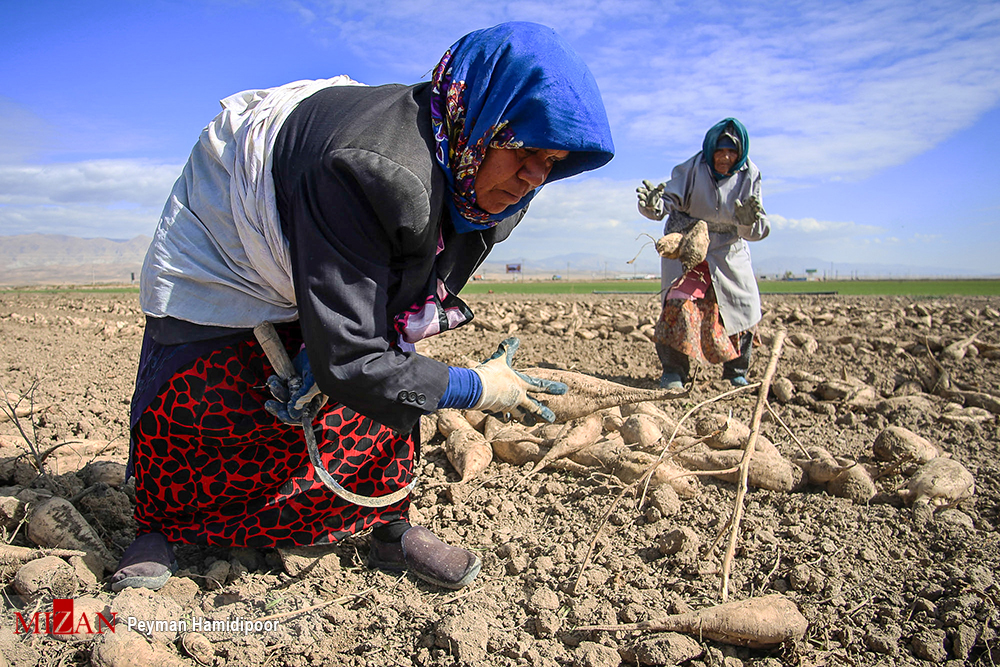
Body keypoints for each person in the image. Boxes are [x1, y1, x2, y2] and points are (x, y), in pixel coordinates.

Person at [112, 22, 614, 593]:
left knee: (381, 380)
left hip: (333, 226)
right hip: (234, 231)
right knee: (209, 379)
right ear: (478, 118)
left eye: (551, 160)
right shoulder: (367, 169)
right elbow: (352, 358)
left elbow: (409, 301)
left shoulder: (489, 186)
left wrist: (358, 347)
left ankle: (386, 524)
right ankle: (159, 524)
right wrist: (471, 387)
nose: (533, 177)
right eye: (523, 149)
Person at [636, 118, 769, 390]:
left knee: (742, 307)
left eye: (731, 152)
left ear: (740, 153)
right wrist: (651, 206)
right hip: (689, 244)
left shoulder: (750, 175)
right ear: (710, 151)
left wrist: (746, 221)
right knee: (678, 303)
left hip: (728, 248)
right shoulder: (692, 169)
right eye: (719, 152)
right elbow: (664, 204)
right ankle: (673, 371)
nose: (725, 157)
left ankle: (736, 372)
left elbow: (758, 228)